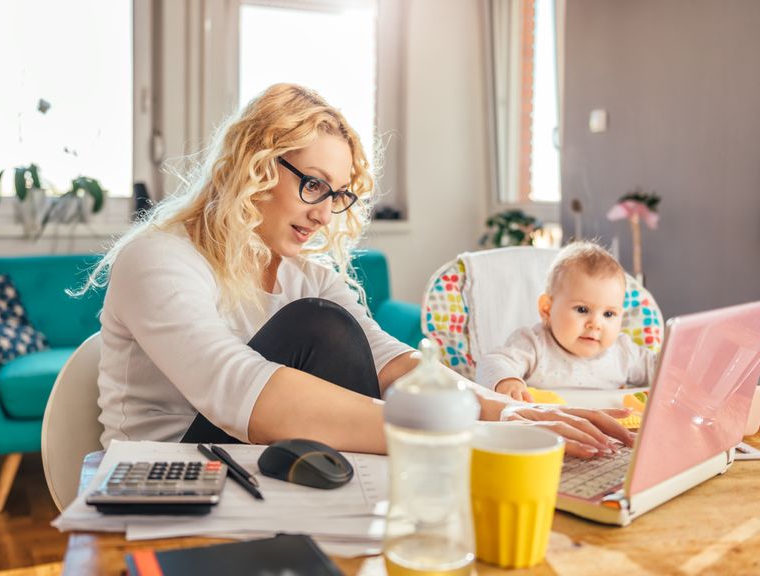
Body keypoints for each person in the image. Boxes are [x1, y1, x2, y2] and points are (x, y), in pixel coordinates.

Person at [82, 83, 632, 459]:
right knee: (319, 326)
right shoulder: (159, 258)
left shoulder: (307, 275)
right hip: (167, 480)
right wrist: (456, 427)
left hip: (261, 466)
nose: (324, 213)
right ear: (252, 165)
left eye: (338, 194)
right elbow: (241, 390)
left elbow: (394, 364)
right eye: (313, 184)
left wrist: (509, 410)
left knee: (338, 330)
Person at [477, 241, 657, 402]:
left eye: (608, 314)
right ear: (546, 309)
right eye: (582, 310)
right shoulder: (534, 344)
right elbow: (492, 363)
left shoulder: (623, 352)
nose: (595, 324)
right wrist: (508, 381)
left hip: (607, 433)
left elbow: (663, 370)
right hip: (549, 430)